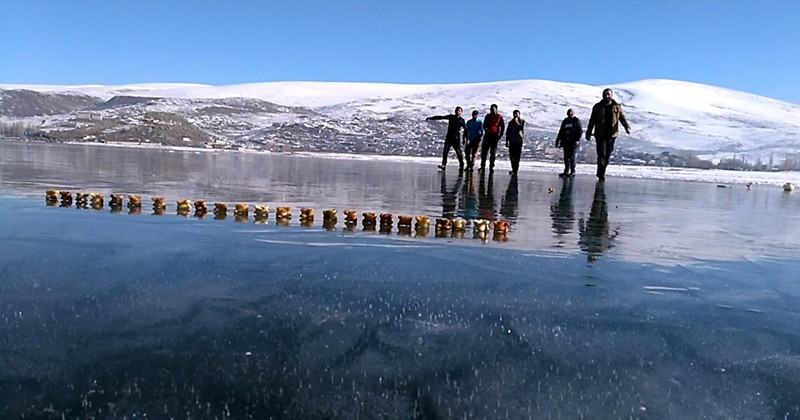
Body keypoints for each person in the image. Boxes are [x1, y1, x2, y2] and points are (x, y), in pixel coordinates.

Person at [585, 88, 631, 181]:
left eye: (608, 94)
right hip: (600, 134)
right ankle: (601, 175)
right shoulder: (598, 107)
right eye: (605, 94)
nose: (607, 96)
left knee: (607, 154)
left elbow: (622, 118)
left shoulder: (617, 106)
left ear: (611, 95)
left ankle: (601, 171)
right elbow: (592, 120)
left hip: (612, 135)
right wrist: (589, 132)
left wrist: (627, 127)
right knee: (602, 154)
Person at [426, 106, 467, 171]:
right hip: (449, 138)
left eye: (459, 111)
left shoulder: (462, 120)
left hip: (456, 139)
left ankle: (461, 165)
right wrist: (431, 118)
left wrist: (465, 139)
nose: (457, 112)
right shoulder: (451, 117)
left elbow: (466, 129)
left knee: (458, 152)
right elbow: (441, 117)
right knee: (445, 151)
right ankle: (443, 165)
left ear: (461, 112)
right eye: (456, 110)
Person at [555, 108, 582, 177]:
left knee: (572, 157)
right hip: (566, 142)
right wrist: (558, 141)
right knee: (566, 157)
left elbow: (580, 131)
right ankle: (566, 170)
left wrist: (577, 140)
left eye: (571, 112)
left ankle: (572, 171)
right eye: (569, 112)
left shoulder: (576, 121)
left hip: (573, 143)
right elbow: (561, 131)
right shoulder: (565, 121)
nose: (570, 113)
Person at [479, 104, 505, 173]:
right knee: (484, 152)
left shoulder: (499, 117)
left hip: (494, 137)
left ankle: (491, 167)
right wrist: (485, 129)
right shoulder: (488, 116)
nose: (492, 110)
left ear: (496, 109)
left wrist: (500, 136)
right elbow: (484, 125)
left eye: (493, 109)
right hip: (487, 136)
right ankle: (482, 166)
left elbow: (502, 127)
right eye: (491, 109)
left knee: (492, 153)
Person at [505, 109, 525, 175]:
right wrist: (507, 141)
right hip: (512, 141)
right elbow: (508, 132)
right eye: (514, 114)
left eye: (517, 114)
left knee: (517, 157)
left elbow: (521, 128)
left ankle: (515, 169)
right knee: (512, 156)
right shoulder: (510, 123)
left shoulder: (522, 121)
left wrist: (517, 122)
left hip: (518, 142)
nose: (516, 115)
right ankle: (513, 168)